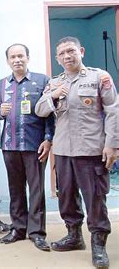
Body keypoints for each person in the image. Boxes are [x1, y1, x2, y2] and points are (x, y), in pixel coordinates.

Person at [36, 36, 117, 268]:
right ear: (57, 58)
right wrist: (53, 95)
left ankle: (99, 244)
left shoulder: (99, 77)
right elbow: (40, 110)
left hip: (91, 149)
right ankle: (74, 236)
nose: (67, 56)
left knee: (95, 199)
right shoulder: (54, 82)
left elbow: (113, 111)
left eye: (71, 51)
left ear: (80, 51)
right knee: (67, 196)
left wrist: (112, 144)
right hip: (62, 150)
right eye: (61, 54)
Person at [0, 43, 55, 252]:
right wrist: (0, 111)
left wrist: (48, 139)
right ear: (8, 61)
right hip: (10, 145)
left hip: (35, 145)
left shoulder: (42, 81)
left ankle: (37, 233)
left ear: (28, 57)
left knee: (36, 190)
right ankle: (18, 229)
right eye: (13, 57)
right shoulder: (1, 85)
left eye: (21, 56)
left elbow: (50, 112)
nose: (17, 60)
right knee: (15, 189)